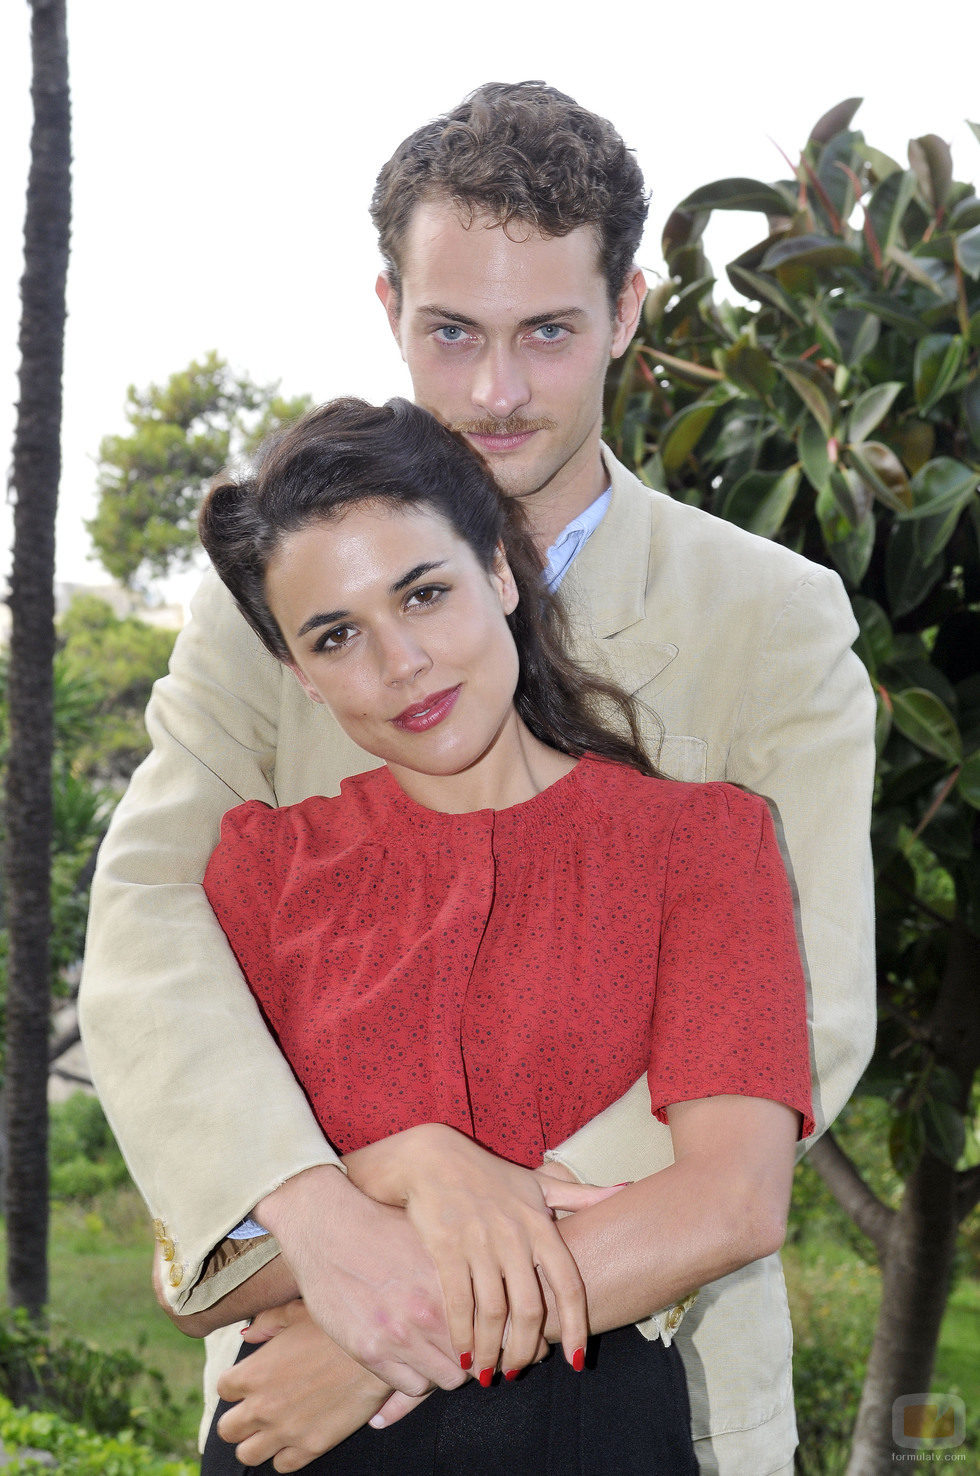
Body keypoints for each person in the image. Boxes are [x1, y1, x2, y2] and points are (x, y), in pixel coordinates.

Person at [78, 81, 876, 1475]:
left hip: (631, 1372)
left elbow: (805, 1020)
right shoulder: (261, 602)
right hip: (295, 1365)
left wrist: (420, 1314)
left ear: (626, 310)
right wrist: (329, 1226)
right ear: (389, 304)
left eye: (548, 334)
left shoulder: (775, 617)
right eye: (452, 332)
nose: (495, 392)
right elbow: (150, 927)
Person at [188, 393, 812, 1473]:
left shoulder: (702, 842)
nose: (402, 664)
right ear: (298, 672)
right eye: (335, 636)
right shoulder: (262, 871)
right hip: (292, 1445)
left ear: (501, 572)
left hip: (572, 1428)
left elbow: (731, 1203)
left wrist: (391, 1344)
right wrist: (409, 1166)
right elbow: (196, 1267)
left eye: (423, 593)